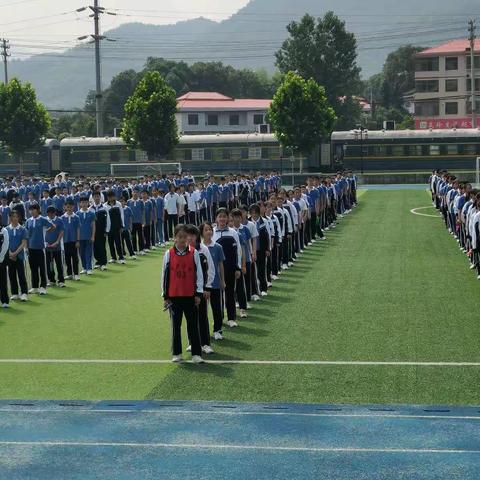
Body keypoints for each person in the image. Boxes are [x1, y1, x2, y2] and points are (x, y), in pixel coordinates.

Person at [161, 224, 204, 364]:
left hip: (190, 295)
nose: (182, 239)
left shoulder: (194, 253)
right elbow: (164, 276)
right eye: (179, 236)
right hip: (174, 296)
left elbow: (199, 274)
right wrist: (165, 296)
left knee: (193, 325)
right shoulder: (169, 254)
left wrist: (198, 293)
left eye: (185, 237)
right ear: (174, 237)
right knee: (176, 326)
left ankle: (196, 353)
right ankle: (177, 353)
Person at [185, 224, 215, 354]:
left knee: (202, 316)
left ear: (197, 236)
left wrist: (208, 287)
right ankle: (192, 342)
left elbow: (211, 270)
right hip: (187, 291)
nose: (190, 238)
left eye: (193, 235)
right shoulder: (183, 250)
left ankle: (205, 343)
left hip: (202, 290)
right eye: (188, 235)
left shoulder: (203, 249)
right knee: (190, 317)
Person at [213, 208, 242, 328]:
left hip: (230, 268)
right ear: (216, 218)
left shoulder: (233, 232)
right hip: (216, 270)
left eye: (224, 216)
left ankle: (231, 318)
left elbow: (238, 251)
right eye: (220, 216)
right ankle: (219, 319)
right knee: (217, 296)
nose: (222, 219)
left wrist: (238, 268)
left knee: (230, 293)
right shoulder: (212, 233)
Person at [200, 221, 226, 340]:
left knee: (217, 308)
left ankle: (217, 330)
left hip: (215, 283)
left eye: (210, 229)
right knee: (202, 311)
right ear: (201, 233)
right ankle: (203, 334)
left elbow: (220, 265)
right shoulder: (198, 248)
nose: (209, 231)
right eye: (206, 230)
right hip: (202, 286)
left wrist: (222, 280)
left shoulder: (217, 247)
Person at [25, 203, 55, 294]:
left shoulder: (43, 219)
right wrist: (26, 247)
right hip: (31, 247)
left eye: (33, 209)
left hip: (40, 247)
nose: (32, 211)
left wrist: (46, 232)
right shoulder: (28, 221)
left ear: (38, 210)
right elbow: (26, 234)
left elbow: (53, 226)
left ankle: (43, 287)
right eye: (30, 210)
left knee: (42, 268)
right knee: (33, 268)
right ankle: (35, 287)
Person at [6, 210, 29, 302]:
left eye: (16, 217)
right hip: (9, 256)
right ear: (10, 218)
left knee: (21, 275)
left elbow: (24, 243)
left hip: (19, 256)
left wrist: (15, 253)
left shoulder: (23, 229)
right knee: (12, 275)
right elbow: (5, 243)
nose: (15, 218)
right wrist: (10, 253)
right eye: (13, 217)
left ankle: (24, 293)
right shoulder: (6, 229)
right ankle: (15, 293)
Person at [45, 205, 65, 287]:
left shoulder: (59, 220)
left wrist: (57, 242)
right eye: (49, 213)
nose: (50, 215)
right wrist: (45, 242)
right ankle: (52, 280)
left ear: (54, 213)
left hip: (57, 246)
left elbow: (62, 231)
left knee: (59, 264)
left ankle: (61, 280)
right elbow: (43, 232)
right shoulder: (45, 220)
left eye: (52, 213)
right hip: (47, 247)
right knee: (49, 264)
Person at [62, 199, 81, 281]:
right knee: (67, 258)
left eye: (70, 207)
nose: (69, 208)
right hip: (65, 240)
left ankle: (76, 274)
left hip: (73, 240)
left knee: (75, 258)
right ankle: (69, 274)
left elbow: (78, 229)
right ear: (65, 207)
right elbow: (61, 230)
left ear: (73, 207)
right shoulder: (62, 217)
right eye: (67, 207)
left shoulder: (76, 217)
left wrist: (78, 240)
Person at [91, 191, 109, 271]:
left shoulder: (104, 208)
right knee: (95, 247)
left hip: (102, 231)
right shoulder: (90, 209)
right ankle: (98, 261)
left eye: (98, 196)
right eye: (95, 196)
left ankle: (103, 263)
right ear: (92, 198)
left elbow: (108, 220)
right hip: (93, 232)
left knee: (102, 247)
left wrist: (106, 230)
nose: (96, 198)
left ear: (100, 197)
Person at [77, 197, 96, 274]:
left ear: (88, 203)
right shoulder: (77, 214)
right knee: (81, 253)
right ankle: (84, 267)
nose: (84, 204)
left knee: (88, 253)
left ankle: (89, 268)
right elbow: (76, 227)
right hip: (80, 237)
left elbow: (93, 225)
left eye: (85, 202)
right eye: (82, 202)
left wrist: (93, 236)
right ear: (80, 204)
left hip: (88, 236)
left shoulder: (91, 213)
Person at [0, 223, 10, 307]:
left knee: (2, 281)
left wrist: (0, 258)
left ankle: (4, 301)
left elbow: (5, 246)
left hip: (1, 260)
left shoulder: (4, 231)